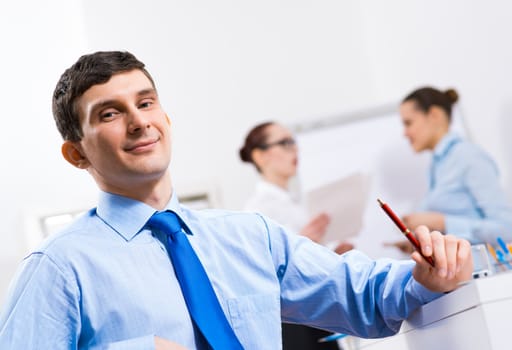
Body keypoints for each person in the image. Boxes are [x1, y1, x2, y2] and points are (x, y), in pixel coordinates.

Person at [0, 52, 472, 350]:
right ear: (76, 153)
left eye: (146, 103)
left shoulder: (251, 237)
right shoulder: (57, 269)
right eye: (110, 113)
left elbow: (364, 297)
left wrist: (426, 277)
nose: (139, 122)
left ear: (166, 116)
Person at [239, 121, 353, 350]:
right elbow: (260, 276)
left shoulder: (297, 203)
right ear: (260, 156)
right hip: (292, 323)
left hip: (318, 312)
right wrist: (303, 246)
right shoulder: (254, 212)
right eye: (285, 143)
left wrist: (331, 255)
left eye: (294, 142)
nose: (295, 149)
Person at [389, 86, 512, 255]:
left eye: (408, 123)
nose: (405, 133)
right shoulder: (437, 165)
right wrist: (422, 243)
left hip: (484, 276)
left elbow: (506, 231)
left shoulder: (469, 157)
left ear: (434, 115)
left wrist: (441, 222)